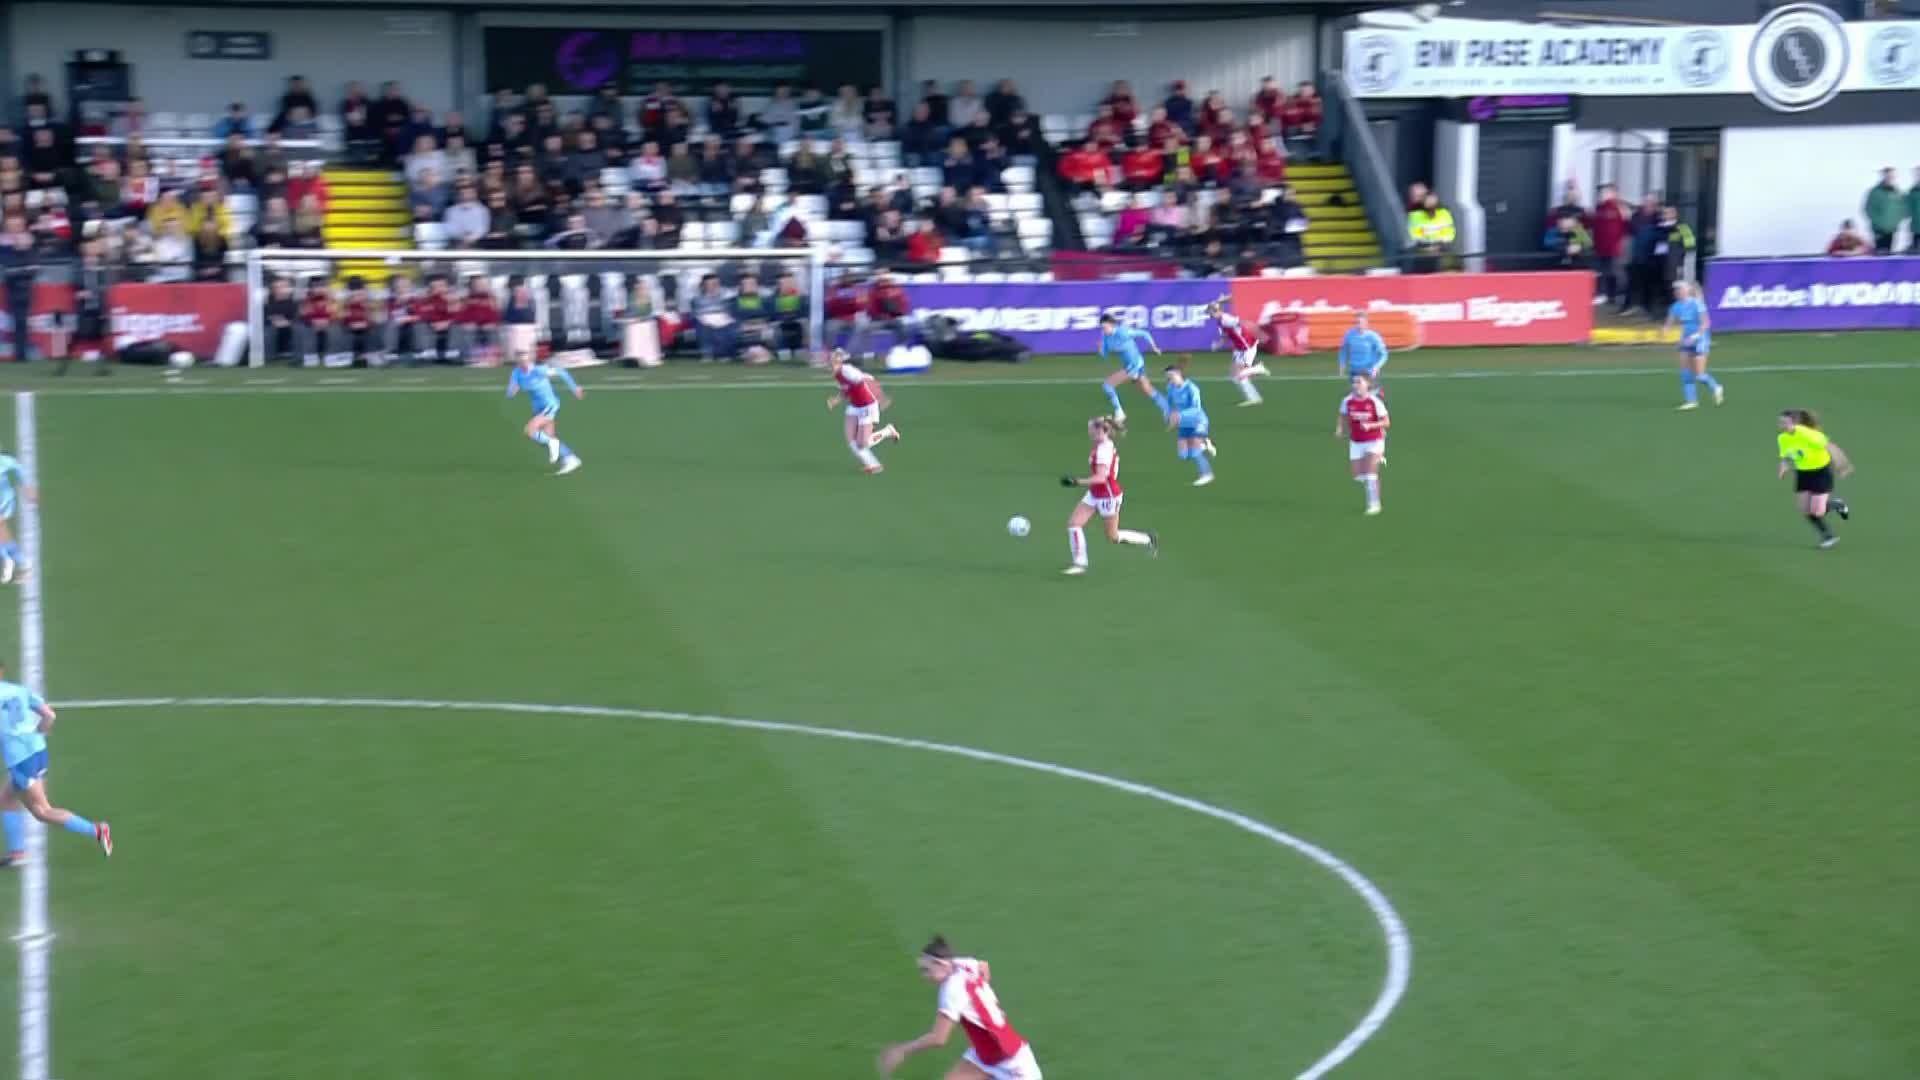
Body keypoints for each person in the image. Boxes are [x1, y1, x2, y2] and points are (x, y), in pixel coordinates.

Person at [878, 936, 1042, 1080]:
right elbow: (984, 966)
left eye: (927, 970)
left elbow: (938, 1038)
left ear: (940, 964)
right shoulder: (961, 965)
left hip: (1013, 1063)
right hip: (985, 1054)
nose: (925, 977)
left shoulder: (951, 990)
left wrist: (903, 1050)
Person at [0, 662, 112, 864]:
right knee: (7, 799)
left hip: (21, 762)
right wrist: (39, 733)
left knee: (42, 811)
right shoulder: (20, 691)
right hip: (38, 751)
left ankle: (97, 830)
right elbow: (50, 715)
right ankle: (17, 853)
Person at [1060, 416, 1158, 576]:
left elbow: (1101, 477)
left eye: (1090, 428)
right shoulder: (1102, 444)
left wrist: (1076, 481)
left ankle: (1148, 539)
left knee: (1113, 536)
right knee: (1074, 524)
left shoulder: (1103, 450)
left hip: (1108, 496)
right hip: (1095, 492)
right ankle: (1079, 563)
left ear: (1098, 430)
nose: (1088, 431)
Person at [1776, 410, 1853, 549]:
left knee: (1817, 512)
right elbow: (1786, 455)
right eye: (1780, 422)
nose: (1781, 425)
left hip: (1821, 472)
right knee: (1805, 509)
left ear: (1795, 423)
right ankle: (1831, 522)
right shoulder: (1782, 438)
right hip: (1803, 473)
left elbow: (1832, 448)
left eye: (1784, 422)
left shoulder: (1809, 435)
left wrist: (1842, 465)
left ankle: (1834, 517)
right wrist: (1783, 467)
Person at [505, 348, 584, 475]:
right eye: (520, 361)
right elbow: (509, 393)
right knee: (548, 437)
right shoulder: (516, 373)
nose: (524, 364)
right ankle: (570, 458)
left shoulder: (539, 370)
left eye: (526, 361)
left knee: (530, 430)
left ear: (530, 360)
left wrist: (575, 388)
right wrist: (513, 389)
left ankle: (567, 456)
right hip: (537, 408)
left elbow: (561, 372)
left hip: (549, 405)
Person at [825, 348, 900, 475]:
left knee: (862, 443)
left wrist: (881, 398)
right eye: (831, 362)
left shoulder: (848, 371)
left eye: (835, 362)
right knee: (851, 441)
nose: (832, 365)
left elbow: (867, 381)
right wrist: (836, 400)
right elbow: (845, 390)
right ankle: (873, 465)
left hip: (867, 405)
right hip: (854, 406)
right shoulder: (837, 375)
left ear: (840, 361)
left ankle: (888, 431)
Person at [1095, 313, 1163, 425]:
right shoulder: (1106, 337)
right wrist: (1100, 349)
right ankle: (1168, 409)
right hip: (1129, 366)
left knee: (1108, 385)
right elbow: (1105, 355)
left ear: (1112, 325)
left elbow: (1144, 333)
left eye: (1105, 327)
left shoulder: (1123, 332)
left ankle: (1120, 413)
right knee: (1147, 389)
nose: (1103, 330)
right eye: (1102, 328)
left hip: (1135, 364)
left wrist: (1154, 347)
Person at [1337, 374, 1390, 516]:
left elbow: (1386, 422)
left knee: (1370, 474)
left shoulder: (1375, 402)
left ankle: (1374, 504)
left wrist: (1371, 425)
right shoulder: (1347, 401)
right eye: (1354, 382)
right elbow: (1342, 414)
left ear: (1367, 385)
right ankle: (1373, 465)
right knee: (1357, 475)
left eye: (1359, 382)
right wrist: (1340, 428)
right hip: (1356, 442)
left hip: (1374, 440)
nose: (1356, 385)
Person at [1665, 281, 1723, 411]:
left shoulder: (1697, 304)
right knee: (1685, 373)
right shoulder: (1675, 306)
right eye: (1675, 290)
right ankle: (1691, 401)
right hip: (1686, 341)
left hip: (1700, 340)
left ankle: (1716, 387)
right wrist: (1666, 330)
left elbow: (1705, 323)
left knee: (1699, 374)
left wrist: (1694, 337)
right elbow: (1669, 322)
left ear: (1686, 291)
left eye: (1679, 289)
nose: (1677, 292)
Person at [1208, 297, 1270, 406]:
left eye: (1210, 312)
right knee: (1235, 375)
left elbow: (1244, 323)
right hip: (1239, 348)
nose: (1209, 315)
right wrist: (1217, 345)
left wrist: (1259, 333)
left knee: (1238, 375)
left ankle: (1258, 369)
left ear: (1216, 311)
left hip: (1247, 347)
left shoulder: (1226, 319)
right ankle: (1254, 397)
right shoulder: (1220, 322)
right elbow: (1225, 337)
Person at [1162, 363, 1215, 486]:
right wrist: (1167, 415)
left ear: (1178, 375)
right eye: (1167, 377)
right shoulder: (1171, 387)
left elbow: (1196, 408)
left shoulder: (1192, 388)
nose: (1169, 379)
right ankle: (1205, 444)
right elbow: (1169, 403)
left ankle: (1207, 474)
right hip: (1184, 423)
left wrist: (1179, 414)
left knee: (1195, 450)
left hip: (1198, 421)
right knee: (1183, 455)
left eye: (1171, 376)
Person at [0, 451, 33, 585]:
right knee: (3, 538)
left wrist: (28, 487)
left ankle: (17, 562)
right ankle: (17, 562)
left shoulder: (3, 461)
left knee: (3, 535)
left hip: (4, 503)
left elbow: (18, 467)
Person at [1339, 310, 1387, 388]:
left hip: (1369, 372)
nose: (1359, 325)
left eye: (1361, 322)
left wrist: (1377, 366)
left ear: (1366, 323)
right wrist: (1342, 363)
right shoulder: (1349, 334)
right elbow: (1343, 350)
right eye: (1357, 322)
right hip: (1354, 371)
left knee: (1371, 396)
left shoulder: (1373, 336)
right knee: (1357, 396)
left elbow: (1384, 354)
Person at [1863, 167, 1905, 255]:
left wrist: (1896, 222)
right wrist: (1880, 223)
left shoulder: (1898, 192)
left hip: (1892, 229)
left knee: (1889, 253)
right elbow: (1868, 209)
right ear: (1883, 176)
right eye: (1887, 176)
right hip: (1879, 229)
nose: (1889, 178)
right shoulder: (1875, 192)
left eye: (1892, 176)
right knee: (1880, 252)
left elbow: (1903, 209)